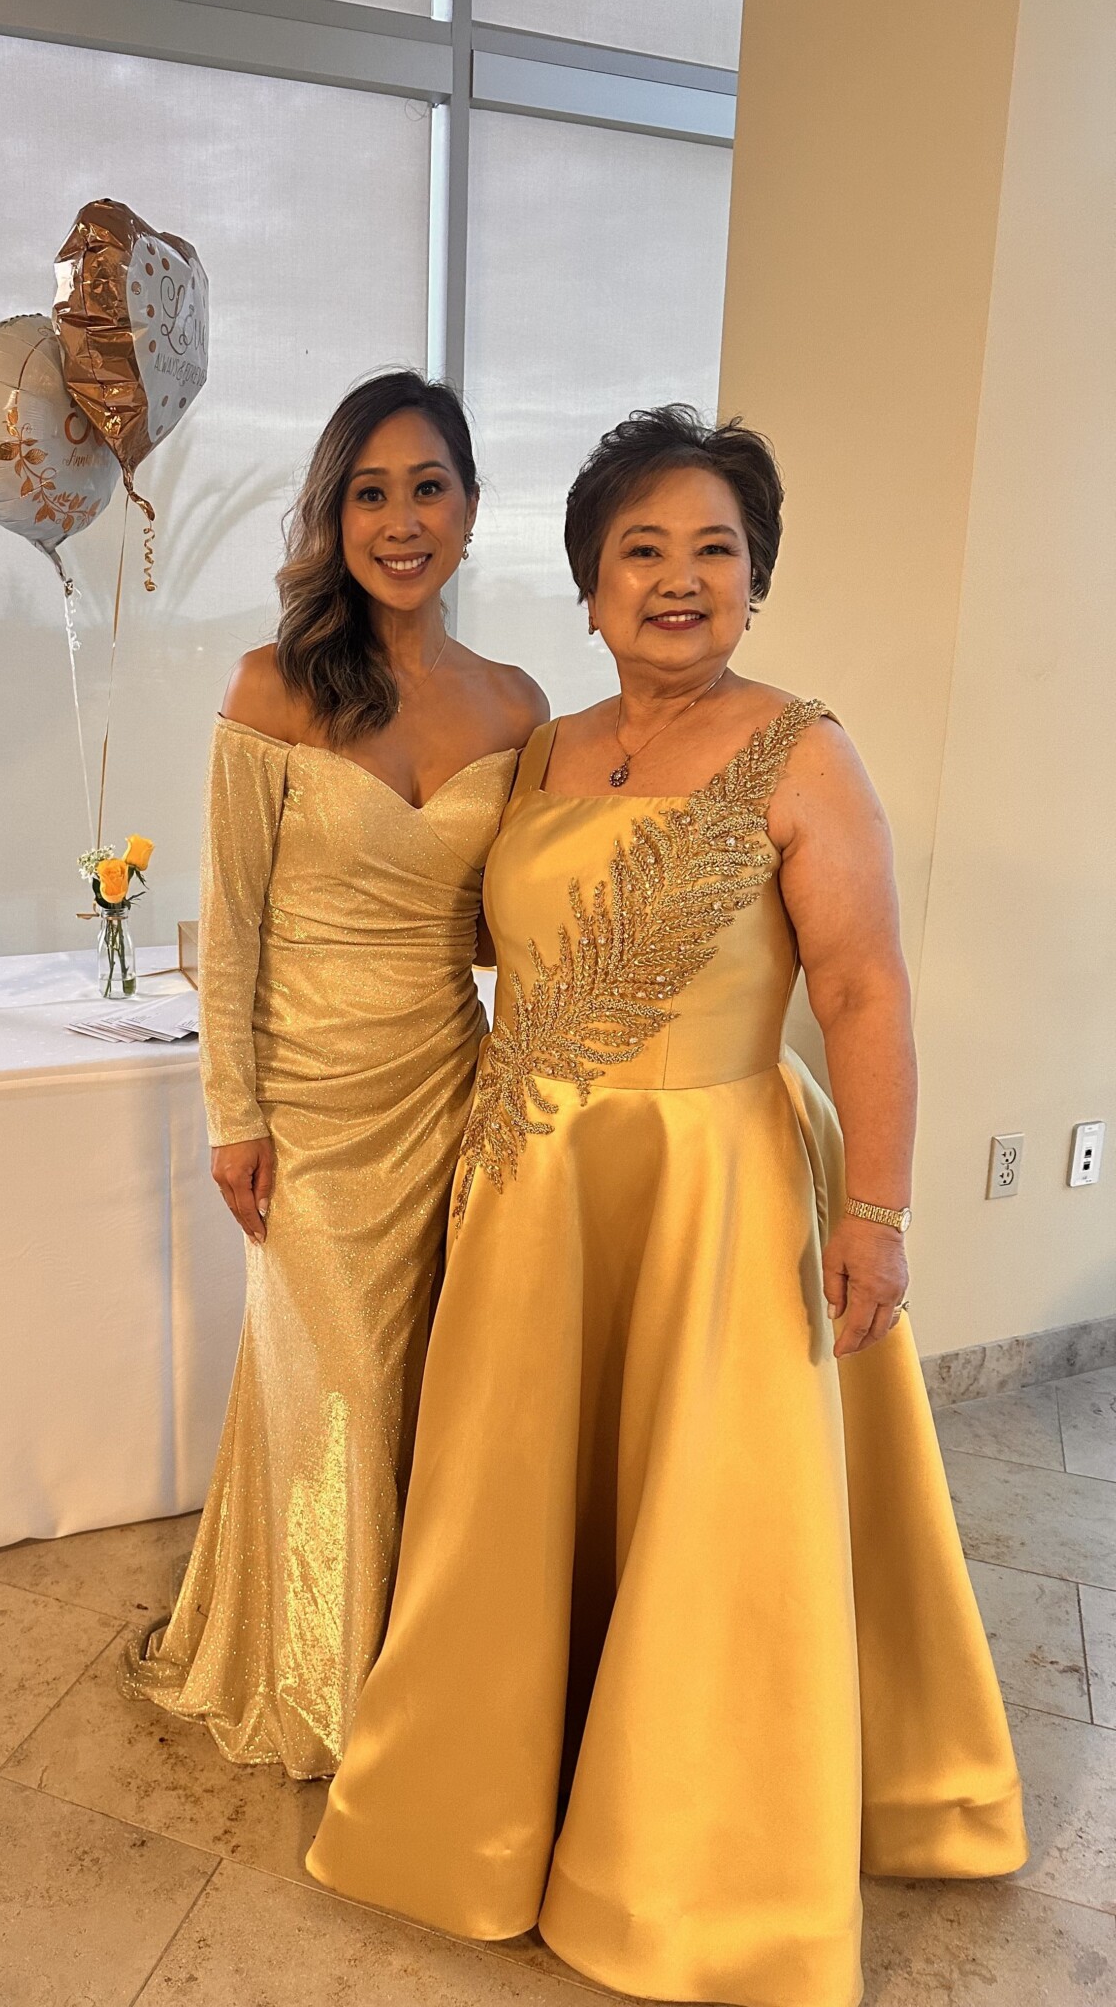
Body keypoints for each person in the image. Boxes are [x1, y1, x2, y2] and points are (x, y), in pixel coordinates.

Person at [306, 405, 1025, 2007]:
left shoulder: (802, 750)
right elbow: (467, 948)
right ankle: (494, 1809)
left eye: (715, 549)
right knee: (514, 1504)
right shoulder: (546, 751)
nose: (679, 578)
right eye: (643, 549)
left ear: (756, 580)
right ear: (588, 583)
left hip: (716, 1192)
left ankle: (691, 1872)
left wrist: (882, 1212)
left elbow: (862, 988)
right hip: (532, 1189)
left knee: (714, 1531)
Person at [125, 371, 548, 1779]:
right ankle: (324, 1687)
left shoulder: (516, 707)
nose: (401, 518)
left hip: (454, 1095)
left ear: (472, 510)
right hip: (308, 1114)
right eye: (369, 492)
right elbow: (230, 928)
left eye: (428, 486)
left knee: (440, 1391)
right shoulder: (275, 691)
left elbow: (521, 921)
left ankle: (424, 1677)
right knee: (339, 1393)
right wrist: (233, 1118)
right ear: (332, 516)